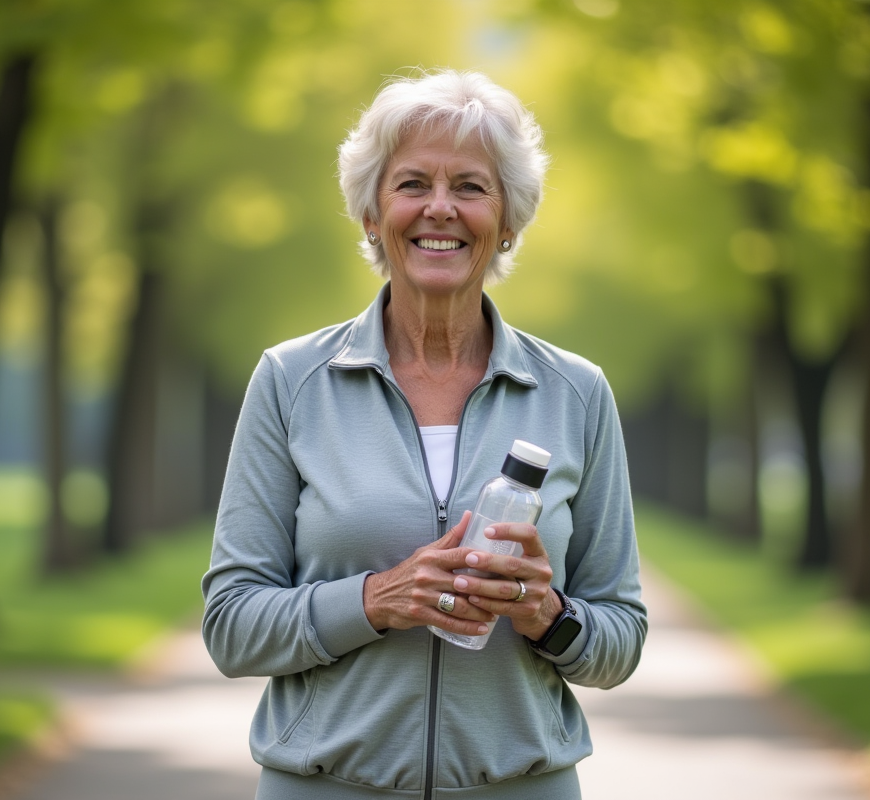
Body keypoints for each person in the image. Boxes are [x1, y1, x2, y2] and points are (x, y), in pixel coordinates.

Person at [202, 69, 647, 800]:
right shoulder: (290, 382)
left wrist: (548, 615)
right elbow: (232, 625)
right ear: (373, 215)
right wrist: (377, 599)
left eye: (470, 187)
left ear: (508, 220)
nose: (439, 208)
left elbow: (620, 636)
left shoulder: (577, 393)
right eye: (412, 184)